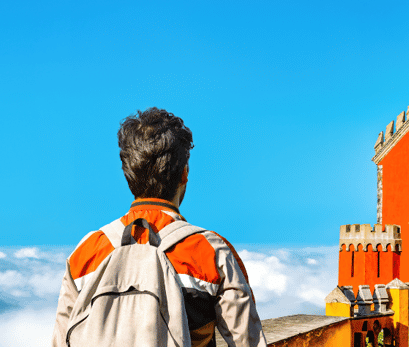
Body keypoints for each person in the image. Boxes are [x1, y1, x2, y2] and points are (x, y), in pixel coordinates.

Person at [52, 107, 267, 347]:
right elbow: (247, 341)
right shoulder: (210, 252)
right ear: (184, 173)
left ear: (128, 174)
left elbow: (61, 340)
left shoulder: (85, 253)